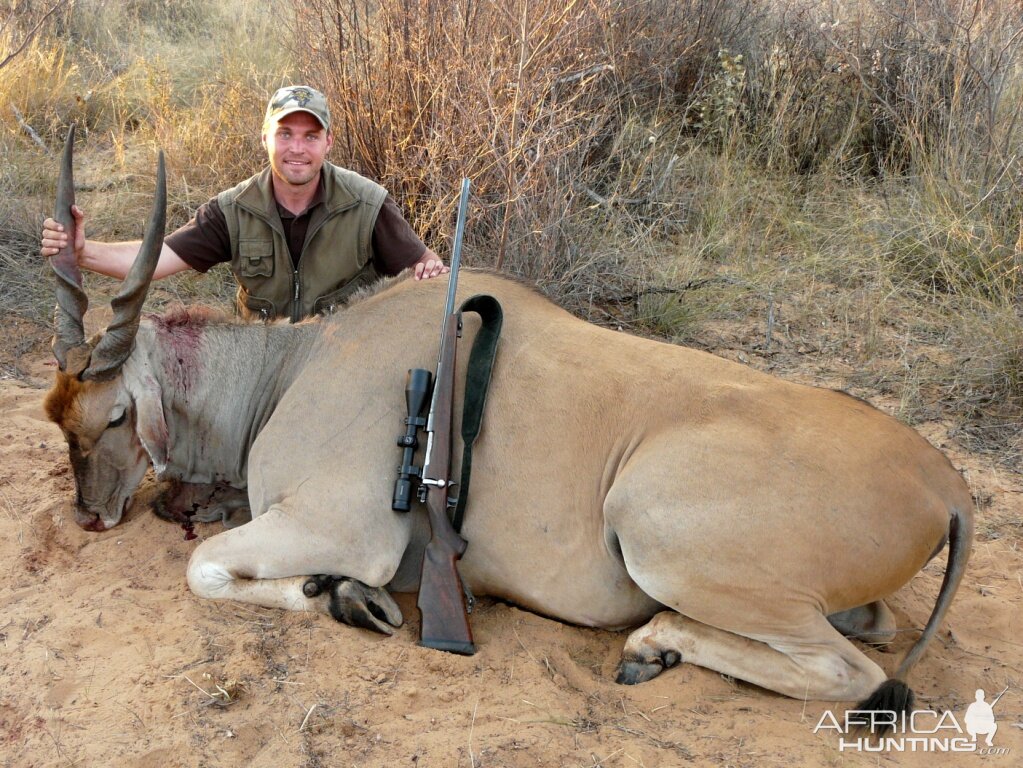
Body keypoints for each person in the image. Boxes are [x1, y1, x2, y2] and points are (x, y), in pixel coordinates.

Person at [40, 85, 449, 322]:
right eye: (285, 133)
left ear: (328, 142)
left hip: (340, 363)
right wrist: (82, 251)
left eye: (310, 136)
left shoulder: (367, 203)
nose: (297, 149)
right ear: (265, 139)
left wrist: (431, 271)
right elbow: (157, 258)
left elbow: (427, 274)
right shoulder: (232, 209)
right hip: (261, 371)